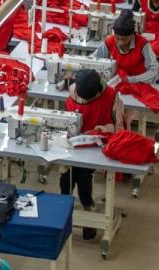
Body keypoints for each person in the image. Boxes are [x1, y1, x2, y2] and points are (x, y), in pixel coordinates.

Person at [61, 69, 122, 240]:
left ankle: (87, 211)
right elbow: (67, 117)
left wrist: (104, 129)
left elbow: (119, 127)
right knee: (65, 178)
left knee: (82, 175)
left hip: (96, 145)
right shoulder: (73, 91)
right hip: (74, 142)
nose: (83, 101)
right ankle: (65, 211)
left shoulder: (112, 97)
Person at [92, 12, 159, 85]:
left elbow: (155, 71)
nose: (121, 42)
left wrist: (132, 80)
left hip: (138, 85)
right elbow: (92, 61)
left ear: (132, 35)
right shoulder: (109, 43)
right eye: (117, 38)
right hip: (115, 84)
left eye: (124, 39)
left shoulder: (143, 44)